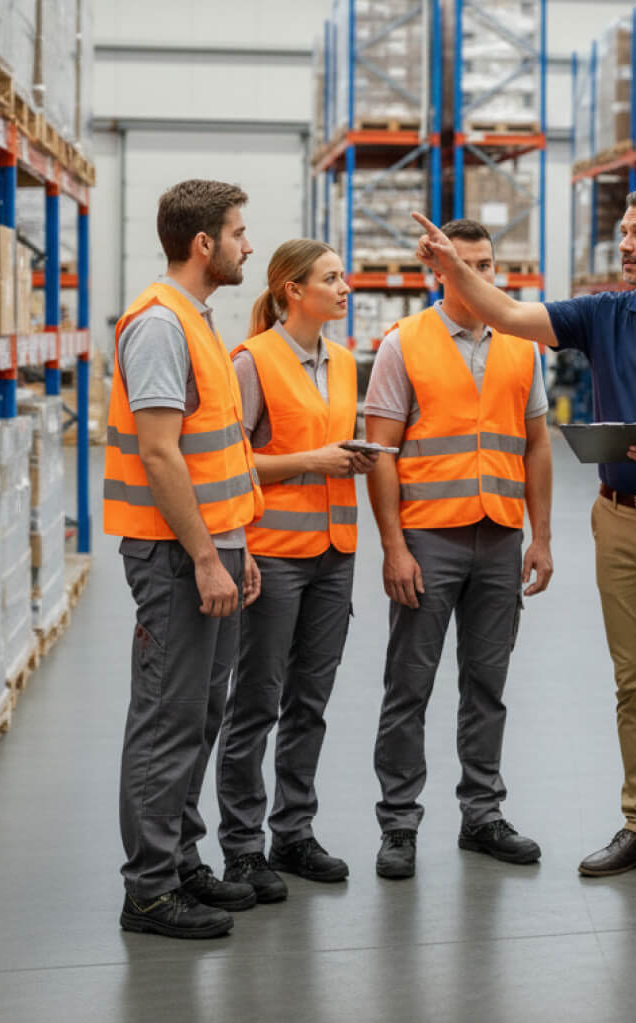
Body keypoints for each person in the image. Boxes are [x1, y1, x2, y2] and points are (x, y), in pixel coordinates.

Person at [409, 188, 636, 904]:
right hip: (618, 520)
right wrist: (454, 267)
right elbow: (509, 314)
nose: (626, 244)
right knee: (634, 684)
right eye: (622, 233)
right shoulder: (604, 313)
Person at [364, 219, 555, 879]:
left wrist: (542, 537)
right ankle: (399, 823)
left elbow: (536, 445)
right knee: (409, 685)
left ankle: (482, 814)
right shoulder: (403, 344)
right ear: (439, 269)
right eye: (461, 262)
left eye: (485, 263)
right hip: (428, 539)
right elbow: (381, 455)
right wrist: (394, 548)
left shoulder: (522, 346)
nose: (475, 273)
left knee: (487, 685)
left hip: (499, 537)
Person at [106, 179, 266, 940]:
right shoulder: (160, 325)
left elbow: (219, 457)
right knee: (168, 720)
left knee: (201, 714)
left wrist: (238, 547)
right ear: (203, 244)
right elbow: (162, 455)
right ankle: (148, 892)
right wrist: (207, 557)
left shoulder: (196, 322)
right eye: (238, 232)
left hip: (215, 549)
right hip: (176, 557)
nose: (248, 245)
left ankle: (180, 860)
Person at [214, 239, 376, 899]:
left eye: (344, 277)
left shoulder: (342, 361)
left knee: (310, 703)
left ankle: (295, 833)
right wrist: (313, 460)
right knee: (256, 703)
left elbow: (330, 447)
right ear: (291, 291)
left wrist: (349, 457)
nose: (345, 288)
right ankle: (242, 848)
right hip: (274, 554)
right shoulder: (252, 361)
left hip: (335, 553)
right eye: (332, 279)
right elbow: (230, 463)